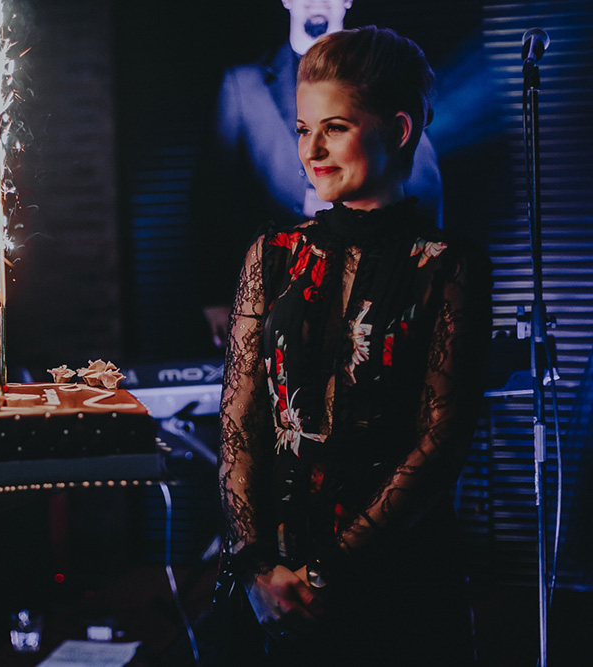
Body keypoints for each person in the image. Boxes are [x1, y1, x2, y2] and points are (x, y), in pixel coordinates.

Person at [214, 26, 490, 665]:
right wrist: (256, 568)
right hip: (272, 591)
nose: (312, 150)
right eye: (302, 130)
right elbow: (237, 424)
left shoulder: (448, 266)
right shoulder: (271, 254)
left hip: (398, 586)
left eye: (334, 128)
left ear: (398, 130)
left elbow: (440, 442)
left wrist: (324, 572)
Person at [191, 0, 443, 347]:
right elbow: (212, 195)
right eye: (304, 130)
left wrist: (421, 278)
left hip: (375, 288)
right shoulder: (244, 83)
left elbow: (422, 184)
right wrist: (215, 295)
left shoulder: (388, 72)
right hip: (276, 290)